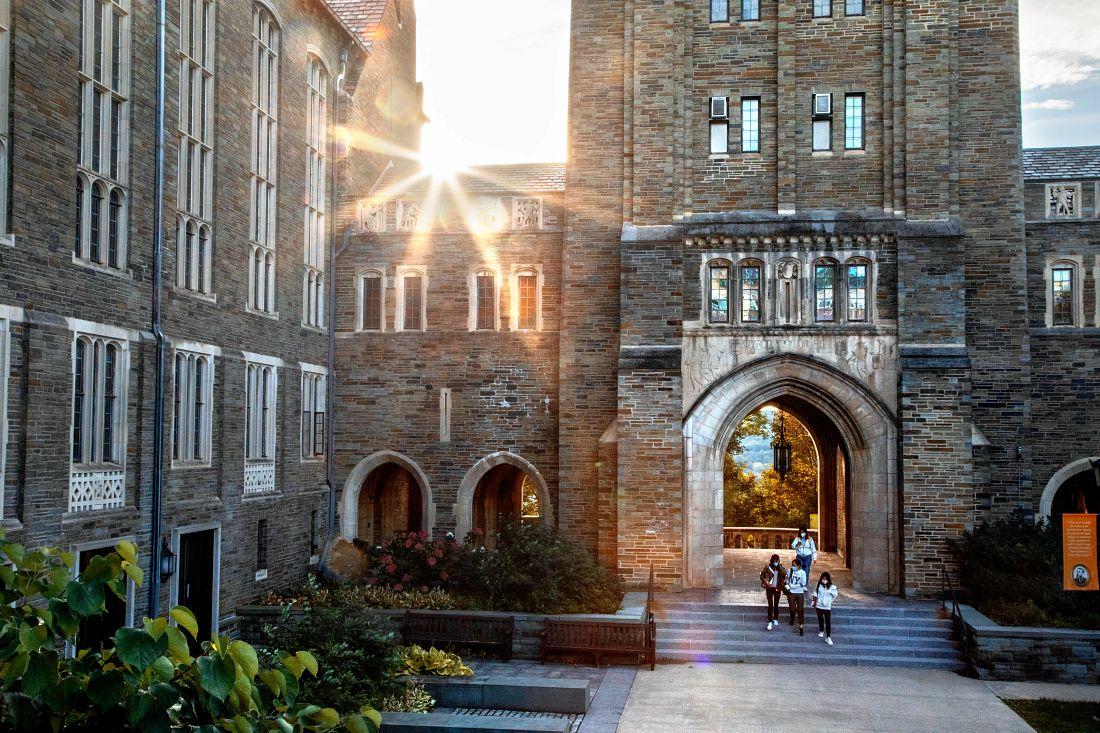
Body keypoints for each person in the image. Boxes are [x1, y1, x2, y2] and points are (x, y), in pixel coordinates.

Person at [759, 554, 785, 630]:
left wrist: (780, 567)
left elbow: (785, 576)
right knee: (770, 604)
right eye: (774, 561)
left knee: (776, 604)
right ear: (772, 560)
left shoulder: (781, 568)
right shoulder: (768, 567)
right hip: (769, 588)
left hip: (777, 588)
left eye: (777, 561)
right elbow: (762, 575)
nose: (776, 562)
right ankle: (770, 620)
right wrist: (766, 582)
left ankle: (776, 619)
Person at [813, 571, 839, 645]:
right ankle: (821, 630)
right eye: (823, 578)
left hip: (827, 606)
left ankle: (828, 637)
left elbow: (835, 595)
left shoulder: (832, 587)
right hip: (819, 605)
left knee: (828, 621)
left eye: (825, 579)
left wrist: (830, 602)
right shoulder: (818, 585)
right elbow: (815, 593)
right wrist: (815, 598)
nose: (824, 580)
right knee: (820, 619)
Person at [784, 556, 807, 636]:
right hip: (791, 593)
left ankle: (801, 627)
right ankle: (792, 618)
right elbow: (786, 580)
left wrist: (792, 586)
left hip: (800, 593)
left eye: (794, 565)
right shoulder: (790, 571)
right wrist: (787, 586)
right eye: (792, 565)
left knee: (800, 609)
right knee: (792, 608)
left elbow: (803, 584)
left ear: (799, 566)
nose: (793, 566)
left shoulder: (803, 573)